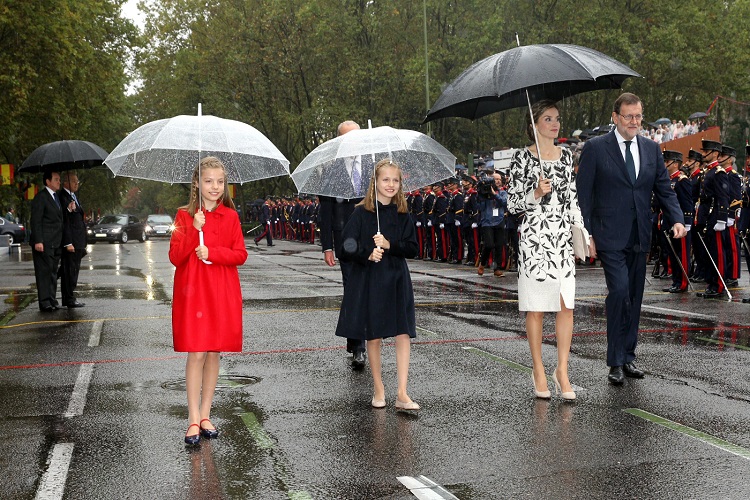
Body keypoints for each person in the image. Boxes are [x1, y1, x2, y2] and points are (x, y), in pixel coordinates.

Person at [577, 92, 687, 386]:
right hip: (608, 235)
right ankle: (614, 360)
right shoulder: (596, 148)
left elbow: (664, 188)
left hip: (640, 234)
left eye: (638, 116)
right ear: (615, 117)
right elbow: (584, 196)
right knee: (620, 291)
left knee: (635, 298)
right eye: (629, 116)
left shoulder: (651, 149)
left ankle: (628, 355)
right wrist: (585, 233)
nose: (634, 122)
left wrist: (677, 218)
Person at [507, 99, 586, 400]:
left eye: (557, 119)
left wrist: (580, 230)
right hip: (534, 240)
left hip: (562, 238)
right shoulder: (520, 159)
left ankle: (562, 370)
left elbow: (572, 199)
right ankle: (539, 368)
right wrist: (535, 193)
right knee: (537, 308)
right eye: (549, 119)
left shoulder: (566, 157)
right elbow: (512, 205)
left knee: (566, 305)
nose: (555, 124)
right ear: (534, 125)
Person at [169, 156, 248, 445]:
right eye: (208, 181)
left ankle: (205, 414)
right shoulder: (183, 216)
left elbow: (240, 254)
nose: (215, 187)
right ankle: (191, 417)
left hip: (222, 290)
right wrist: (193, 228)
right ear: (197, 184)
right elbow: (176, 257)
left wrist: (212, 252)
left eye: (219, 181)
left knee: (214, 351)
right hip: (194, 290)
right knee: (197, 351)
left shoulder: (231, 216)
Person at [335, 159, 420, 410]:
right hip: (372, 280)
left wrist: (389, 245)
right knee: (374, 335)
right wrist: (367, 253)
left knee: (403, 333)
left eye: (395, 180)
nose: (390, 184)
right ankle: (379, 388)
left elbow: (414, 248)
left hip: (397, 279)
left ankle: (402, 393)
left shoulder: (404, 214)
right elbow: (345, 247)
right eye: (385, 179)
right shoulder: (362, 213)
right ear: (375, 182)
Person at [318, 120, 368, 368]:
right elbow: (325, 212)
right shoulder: (332, 172)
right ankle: (359, 345)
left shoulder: (373, 166)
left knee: (367, 291)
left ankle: (354, 337)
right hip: (346, 242)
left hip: (371, 240)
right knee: (354, 290)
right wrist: (327, 245)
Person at [660, 151, 693, 293]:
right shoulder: (668, 180)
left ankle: (683, 282)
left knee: (682, 254)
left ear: (674, 163)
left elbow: (687, 203)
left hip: (680, 222)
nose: (664, 164)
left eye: (666, 161)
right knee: (672, 253)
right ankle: (676, 281)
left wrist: (687, 221)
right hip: (669, 221)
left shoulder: (682, 180)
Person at [30, 171, 63, 312]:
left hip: (55, 242)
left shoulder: (57, 197)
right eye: (56, 179)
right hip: (43, 243)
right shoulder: (41, 197)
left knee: (53, 272)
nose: (59, 182)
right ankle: (44, 302)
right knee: (44, 273)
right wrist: (38, 241)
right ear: (48, 181)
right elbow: (36, 220)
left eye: (59, 179)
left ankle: (52, 299)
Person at [58, 172, 87, 308]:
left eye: (77, 181)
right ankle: (69, 299)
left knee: (73, 270)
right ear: (66, 183)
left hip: (79, 240)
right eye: (74, 181)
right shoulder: (62, 197)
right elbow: (63, 221)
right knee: (69, 271)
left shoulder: (73, 196)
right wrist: (68, 242)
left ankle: (70, 296)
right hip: (71, 242)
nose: (77, 184)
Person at [477, 172, 507, 277]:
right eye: (495, 179)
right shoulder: (484, 193)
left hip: (499, 220)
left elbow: (504, 203)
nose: (498, 181)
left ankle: (497, 268)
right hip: (487, 221)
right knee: (489, 244)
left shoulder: (502, 192)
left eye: (499, 179)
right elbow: (479, 208)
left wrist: (495, 194)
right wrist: (483, 195)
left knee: (499, 245)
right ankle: (482, 263)